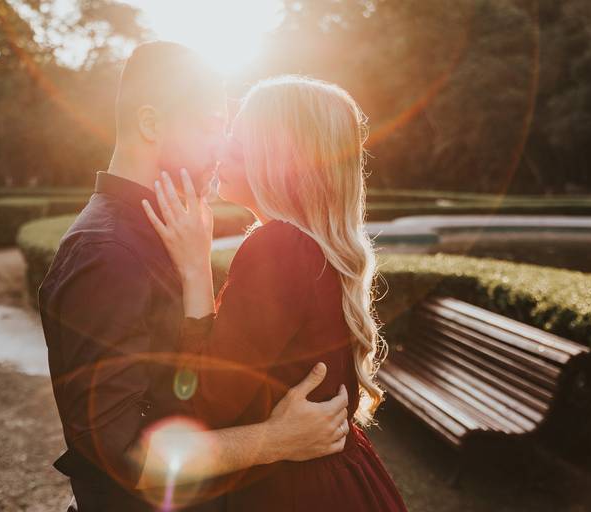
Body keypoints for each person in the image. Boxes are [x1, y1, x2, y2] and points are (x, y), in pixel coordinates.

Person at [38, 43, 352, 512]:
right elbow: (124, 456)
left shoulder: (167, 230)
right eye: (210, 126)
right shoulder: (107, 253)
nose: (223, 146)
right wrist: (273, 440)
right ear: (151, 124)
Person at [142, 75, 409, 511]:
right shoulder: (312, 244)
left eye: (241, 137)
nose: (223, 147)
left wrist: (194, 270)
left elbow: (208, 403)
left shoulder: (279, 247)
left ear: (283, 156)